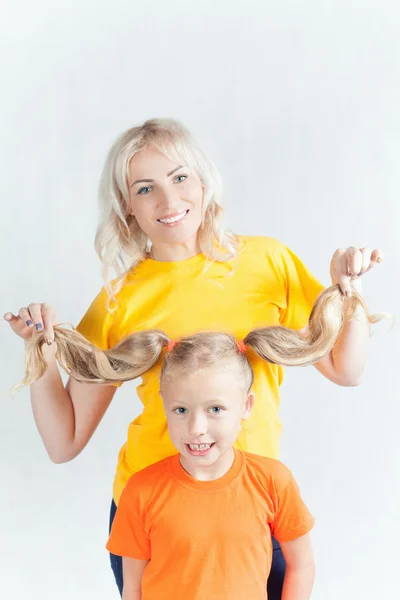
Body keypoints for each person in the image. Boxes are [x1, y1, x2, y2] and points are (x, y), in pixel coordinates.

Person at [4, 118, 383, 598]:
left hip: (255, 505)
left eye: (180, 177)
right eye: (145, 188)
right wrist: (40, 355)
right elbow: (65, 441)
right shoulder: (123, 298)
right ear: (127, 208)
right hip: (155, 517)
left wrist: (347, 294)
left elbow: (347, 369)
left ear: (204, 181)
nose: (168, 201)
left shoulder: (268, 262)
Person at [18, 285, 378, 600]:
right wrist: (42, 355)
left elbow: (302, 564)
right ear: (164, 405)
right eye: (181, 409)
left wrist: (350, 291)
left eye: (216, 408)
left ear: (246, 406)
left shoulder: (273, 482)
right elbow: (133, 589)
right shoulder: (140, 493)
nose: (197, 428)